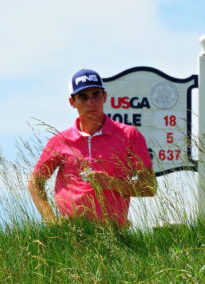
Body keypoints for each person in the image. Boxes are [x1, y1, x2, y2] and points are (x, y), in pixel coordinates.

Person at [28, 69, 157, 227]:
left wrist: (110, 183)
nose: (91, 102)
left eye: (96, 95)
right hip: (70, 235)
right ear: (72, 102)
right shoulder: (60, 141)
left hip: (114, 233)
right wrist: (51, 220)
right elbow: (35, 182)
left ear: (104, 97)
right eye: (83, 97)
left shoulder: (129, 135)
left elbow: (149, 187)